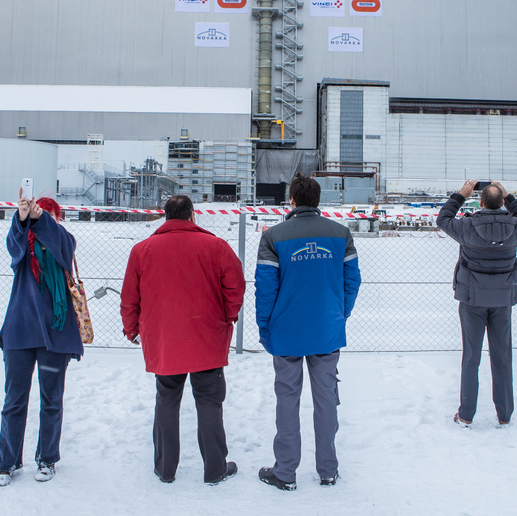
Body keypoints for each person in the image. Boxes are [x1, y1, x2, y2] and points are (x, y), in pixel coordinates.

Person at [120, 195, 245, 485]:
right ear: (192, 216)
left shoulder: (142, 250)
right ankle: (215, 469)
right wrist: (227, 316)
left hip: (164, 339)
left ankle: (165, 468)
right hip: (207, 336)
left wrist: (131, 329)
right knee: (209, 402)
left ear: (166, 217)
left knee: (166, 400)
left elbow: (130, 297)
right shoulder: (216, 246)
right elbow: (235, 286)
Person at [254, 173, 361, 491]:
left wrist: (265, 326)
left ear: (292, 201)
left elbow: (265, 289)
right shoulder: (341, 234)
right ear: (317, 201)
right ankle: (328, 469)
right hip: (326, 330)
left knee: (287, 399)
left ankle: (285, 471)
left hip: (286, 332)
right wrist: (339, 316)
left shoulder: (273, 236)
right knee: (326, 398)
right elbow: (352, 282)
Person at [0, 190, 84, 487]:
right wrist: (22, 219)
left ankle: (47, 459)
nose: (45, 221)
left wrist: (42, 218)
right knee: (14, 401)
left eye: (51, 216)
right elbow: (13, 245)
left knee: (51, 400)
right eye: (41, 215)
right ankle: (6, 464)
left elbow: (64, 246)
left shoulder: (62, 241)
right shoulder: (23, 247)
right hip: (21, 332)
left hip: (55, 337)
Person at [436, 179, 517, 428]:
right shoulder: (516, 227)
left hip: (472, 300)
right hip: (502, 300)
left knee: (471, 358)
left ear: (480, 201)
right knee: (502, 358)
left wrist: (460, 196)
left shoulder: (467, 226)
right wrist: (509, 197)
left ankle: (466, 413)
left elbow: (443, 219)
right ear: (502, 202)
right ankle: (505, 414)